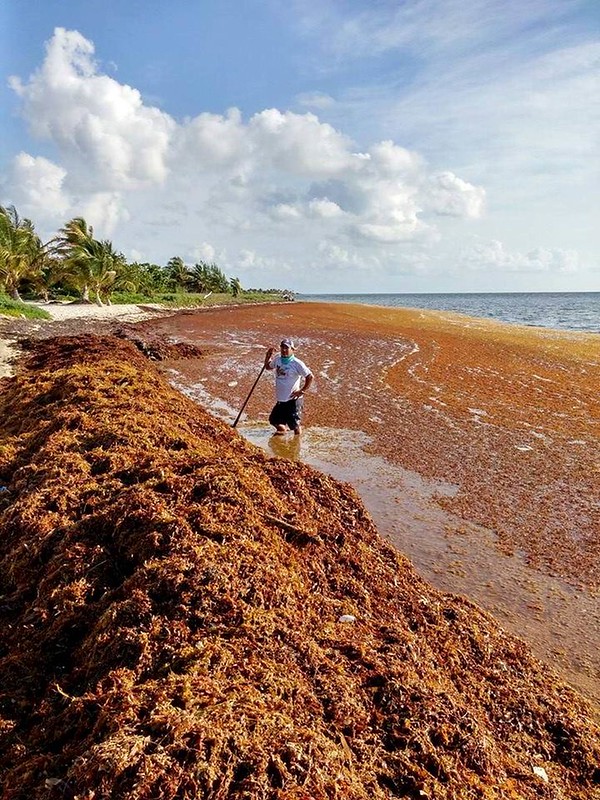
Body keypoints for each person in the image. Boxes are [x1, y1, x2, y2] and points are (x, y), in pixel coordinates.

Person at [264, 338, 313, 436]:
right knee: (274, 420)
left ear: (292, 349)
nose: (284, 350)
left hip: (293, 400)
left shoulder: (297, 363)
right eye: (282, 348)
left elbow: (310, 376)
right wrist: (268, 356)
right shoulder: (277, 359)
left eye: (287, 348)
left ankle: (296, 445)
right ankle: (283, 431)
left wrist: (302, 390)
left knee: (295, 426)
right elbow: (268, 367)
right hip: (281, 399)